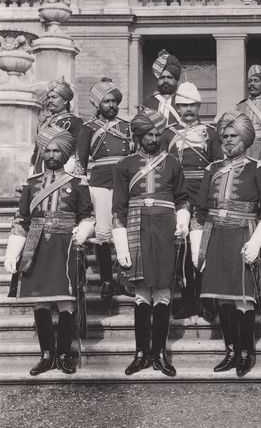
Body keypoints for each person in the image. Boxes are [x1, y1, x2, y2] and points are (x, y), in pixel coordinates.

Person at [190, 112, 261, 377]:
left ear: (246, 139)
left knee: (242, 299)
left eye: (234, 136)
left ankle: (245, 351)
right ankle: (230, 350)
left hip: (244, 236)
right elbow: (200, 211)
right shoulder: (211, 169)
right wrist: (198, 247)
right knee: (222, 300)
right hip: (215, 236)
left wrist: (257, 242)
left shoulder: (258, 169)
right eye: (225, 136)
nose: (228, 141)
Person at [4, 127, 95, 375]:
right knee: (40, 302)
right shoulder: (31, 184)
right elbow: (22, 218)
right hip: (36, 245)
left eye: (57, 150)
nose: (52, 154)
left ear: (65, 154)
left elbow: (87, 215)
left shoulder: (78, 184)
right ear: (43, 153)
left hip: (65, 246)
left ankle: (65, 354)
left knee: (66, 302)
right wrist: (13, 252)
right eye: (48, 150)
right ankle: (46, 355)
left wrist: (84, 229)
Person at [112, 107, 190, 377]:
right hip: (137, 228)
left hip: (165, 229)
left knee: (163, 291)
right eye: (149, 134)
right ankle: (140, 353)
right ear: (137, 136)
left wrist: (182, 222)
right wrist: (121, 243)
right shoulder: (125, 165)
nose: (154, 139)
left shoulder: (172, 163)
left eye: (158, 133)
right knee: (142, 293)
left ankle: (160, 353)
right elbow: (118, 208)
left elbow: (182, 199)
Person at [161, 82, 222, 320]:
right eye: (183, 106)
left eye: (192, 105)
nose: (188, 110)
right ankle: (187, 300)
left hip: (204, 196)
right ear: (177, 107)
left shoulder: (211, 133)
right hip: (178, 196)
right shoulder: (167, 133)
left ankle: (207, 300)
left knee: (205, 249)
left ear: (199, 106)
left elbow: (217, 166)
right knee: (182, 251)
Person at [78, 78, 134, 303]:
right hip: (100, 182)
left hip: (125, 182)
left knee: (125, 230)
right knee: (102, 233)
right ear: (97, 105)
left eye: (113, 101)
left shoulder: (127, 126)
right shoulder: (88, 128)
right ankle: (106, 281)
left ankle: (125, 277)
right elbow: (81, 162)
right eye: (106, 101)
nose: (111, 105)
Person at [31, 80, 83, 176]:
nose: (50, 101)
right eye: (48, 97)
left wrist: (66, 171)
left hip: (62, 170)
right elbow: (36, 151)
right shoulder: (43, 122)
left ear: (65, 100)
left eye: (54, 97)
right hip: (39, 170)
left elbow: (77, 151)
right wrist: (31, 173)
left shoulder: (75, 122)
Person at [143, 49, 184, 126]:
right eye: (162, 77)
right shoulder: (148, 103)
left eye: (169, 77)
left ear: (176, 80)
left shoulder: (184, 102)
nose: (165, 80)